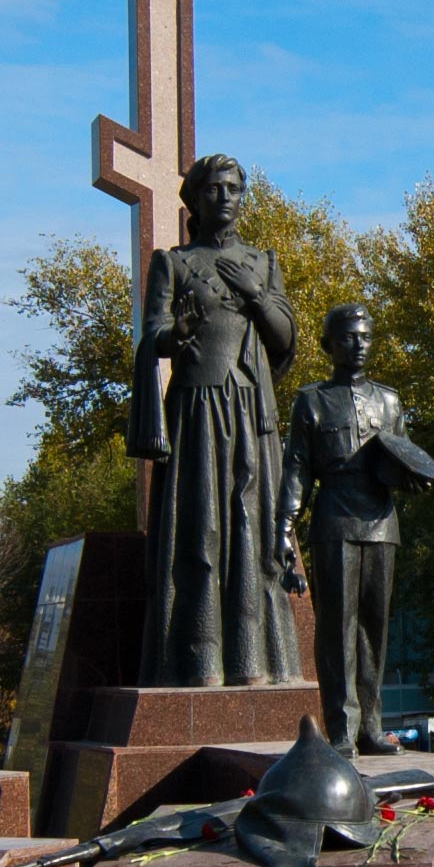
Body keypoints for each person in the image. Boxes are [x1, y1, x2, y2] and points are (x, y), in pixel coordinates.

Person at [128, 154, 305, 688]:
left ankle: (257, 661)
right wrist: (173, 335)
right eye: (214, 189)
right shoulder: (174, 263)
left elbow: (285, 339)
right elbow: (153, 336)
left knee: (253, 528)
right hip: (199, 411)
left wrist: (253, 295)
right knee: (200, 531)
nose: (225, 198)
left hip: (252, 410)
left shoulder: (262, 262)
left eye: (233, 189)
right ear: (195, 199)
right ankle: (199, 661)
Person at [277, 304, 434, 754]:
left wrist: (412, 481)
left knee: (374, 630)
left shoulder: (390, 401)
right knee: (336, 629)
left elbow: (401, 460)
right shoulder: (311, 401)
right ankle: (342, 730)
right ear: (330, 345)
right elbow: (297, 471)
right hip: (334, 522)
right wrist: (284, 527)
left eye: (365, 336)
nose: (359, 345)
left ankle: (371, 726)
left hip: (381, 525)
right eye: (349, 337)